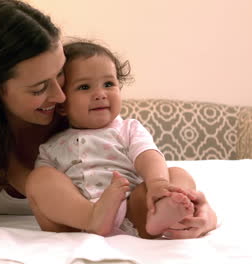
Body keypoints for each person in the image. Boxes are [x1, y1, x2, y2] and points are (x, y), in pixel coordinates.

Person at [0, 0, 217, 239]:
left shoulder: (73, 109)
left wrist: (203, 215)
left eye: (60, 74)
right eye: (38, 88)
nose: (60, 96)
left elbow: (144, 164)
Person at [26, 40, 217, 239]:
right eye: (84, 87)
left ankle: (167, 216)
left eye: (109, 84)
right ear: (62, 103)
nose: (100, 94)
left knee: (178, 174)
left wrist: (157, 184)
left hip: (135, 213)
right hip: (77, 220)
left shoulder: (128, 129)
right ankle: (93, 217)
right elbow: (45, 194)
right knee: (38, 180)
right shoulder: (52, 146)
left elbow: (147, 154)